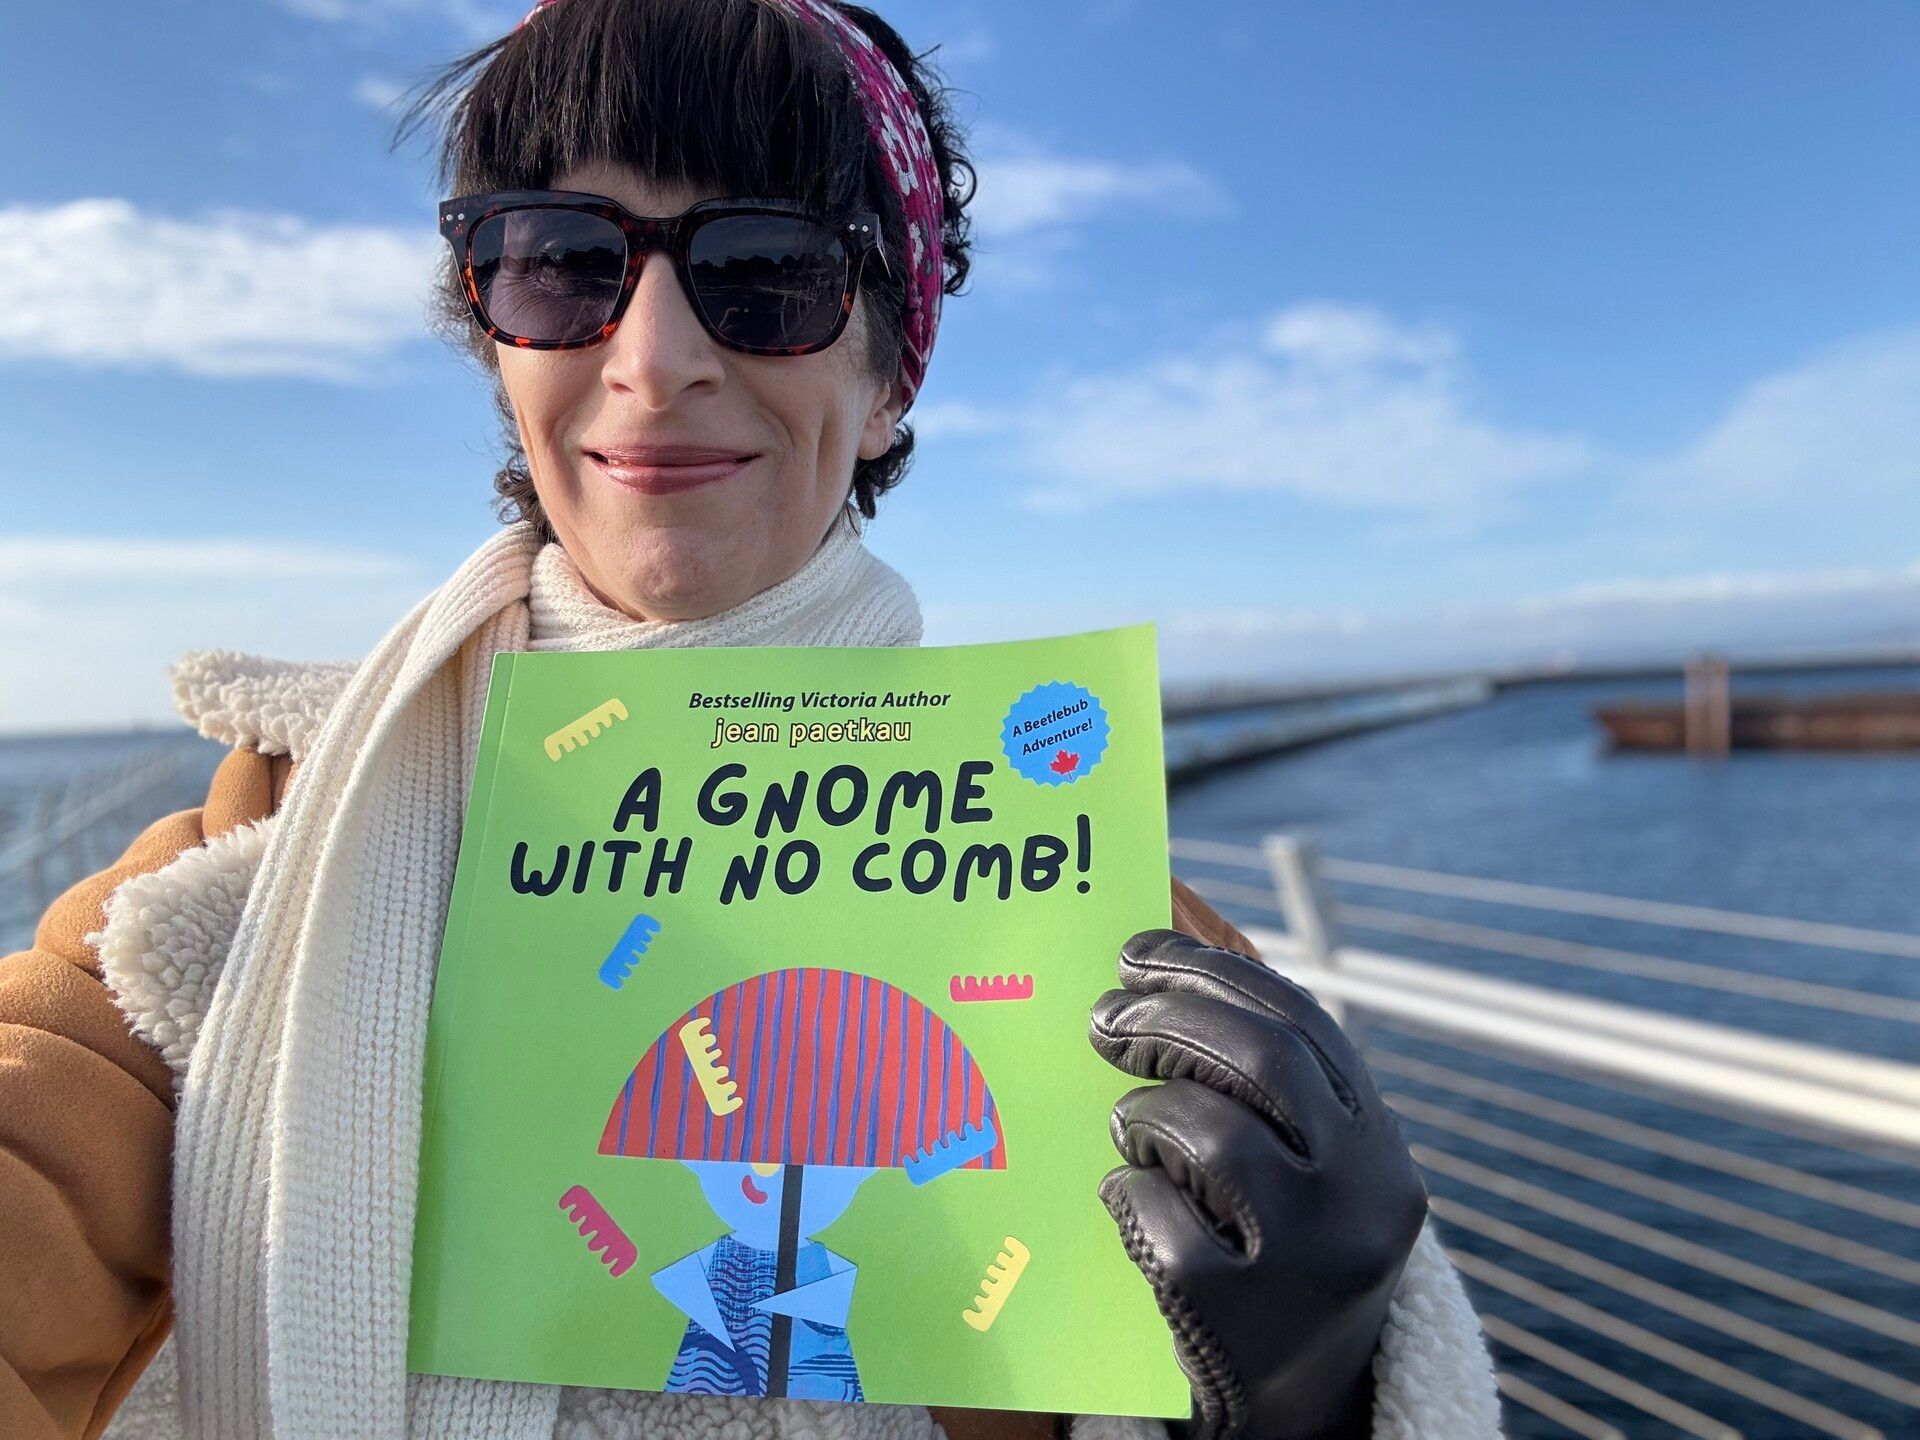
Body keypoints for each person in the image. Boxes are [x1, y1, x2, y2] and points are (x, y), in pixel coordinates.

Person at [0, 2, 1504, 1437]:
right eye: (559, 263)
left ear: (892, 380)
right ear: (497, 341)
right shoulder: (277, 863)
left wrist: (1317, 1392)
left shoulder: (1102, 928)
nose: (654, 359)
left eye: (771, 272)